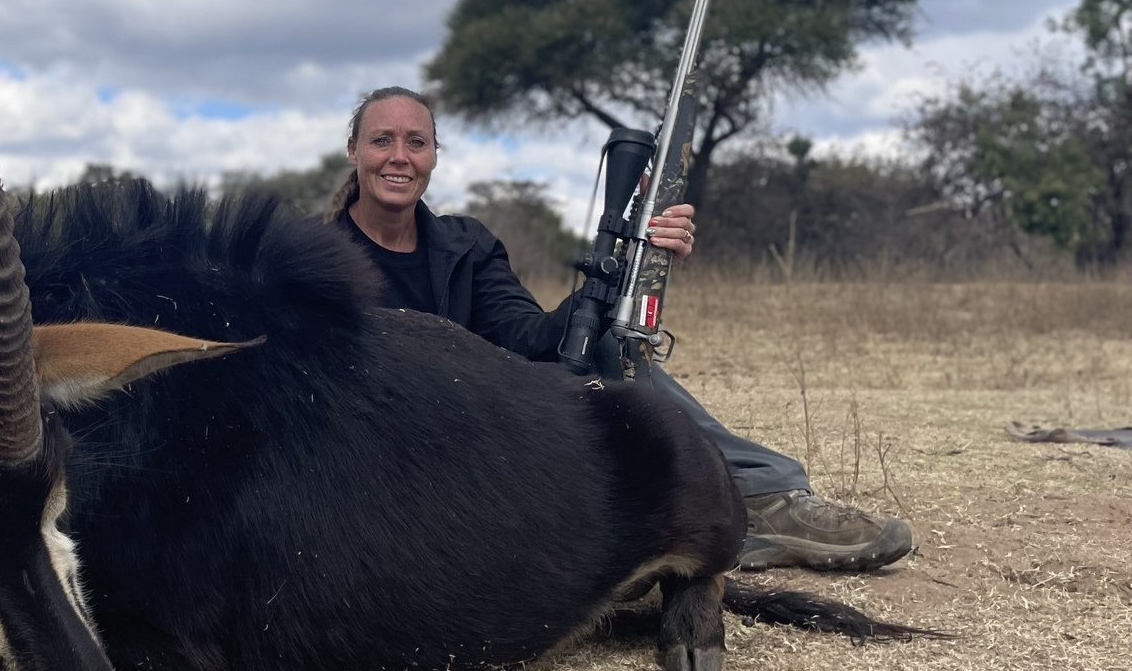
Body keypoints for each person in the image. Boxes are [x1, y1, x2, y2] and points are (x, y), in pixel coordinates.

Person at [324, 85, 913, 574]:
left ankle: (771, 498)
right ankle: (702, 516)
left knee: (606, 347)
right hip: (387, 456)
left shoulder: (466, 244)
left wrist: (627, 266)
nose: (399, 156)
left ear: (433, 157)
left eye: (416, 142)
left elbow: (532, 337)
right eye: (382, 140)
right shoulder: (313, 258)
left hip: (487, 430)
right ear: (354, 150)